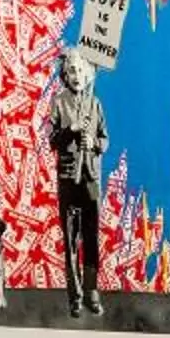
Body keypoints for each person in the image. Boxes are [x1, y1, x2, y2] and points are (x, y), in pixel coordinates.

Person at [46, 48, 107, 318]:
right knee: (71, 239)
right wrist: (70, 131)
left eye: (81, 70)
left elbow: (105, 139)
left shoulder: (95, 104)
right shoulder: (58, 103)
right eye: (72, 70)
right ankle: (75, 296)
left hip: (91, 178)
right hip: (69, 178)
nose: (77, 75)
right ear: (65, 74)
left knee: (91, 237)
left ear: (88, 73)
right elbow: (51, 139)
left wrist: (93, 142)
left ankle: (93, 292)